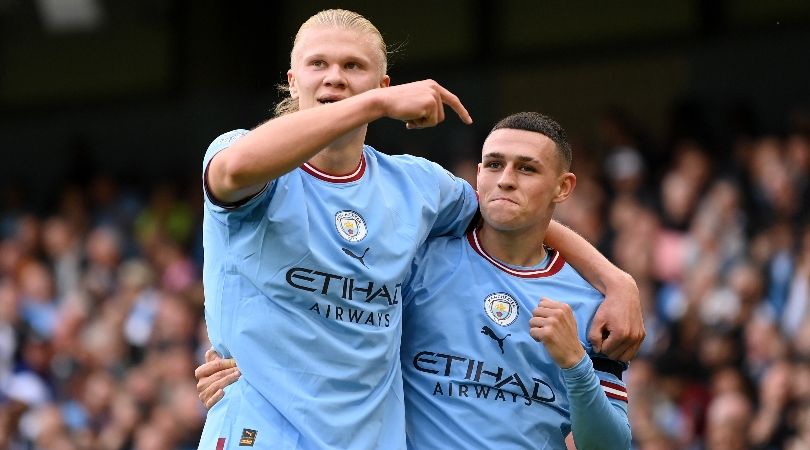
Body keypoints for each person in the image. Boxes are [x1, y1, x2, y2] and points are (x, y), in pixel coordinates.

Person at [198, 8, 642, 450]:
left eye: (353, 66)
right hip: (260, 432)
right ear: (293, 80)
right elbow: (234, 172)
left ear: (384, 82)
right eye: (318, 64)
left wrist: (616, 282)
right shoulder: (243, 155)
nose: (334, 77)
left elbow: (510, 213)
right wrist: (371, 106)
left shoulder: (419, 187)